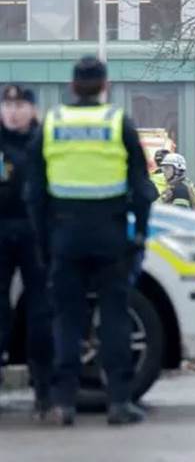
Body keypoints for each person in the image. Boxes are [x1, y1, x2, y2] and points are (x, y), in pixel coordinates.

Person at [26, 56, 155, 425]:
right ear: (104, 86)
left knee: (67, 318)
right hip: (109, 233)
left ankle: (63, 402)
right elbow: (143, 189)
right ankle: (118, 402)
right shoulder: (118, 123)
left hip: (64, 233)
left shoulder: (52, 124)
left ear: (71, 85)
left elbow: (34, 192)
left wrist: (44, 239)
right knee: (113, 316)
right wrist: (140, 233)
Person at [0, 85, 53, 420]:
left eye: (20, 104)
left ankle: (44, 391)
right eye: (7, 104)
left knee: (40, 313)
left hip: (36, 234)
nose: (13, 111)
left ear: (33, 110)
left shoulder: (45, 143)